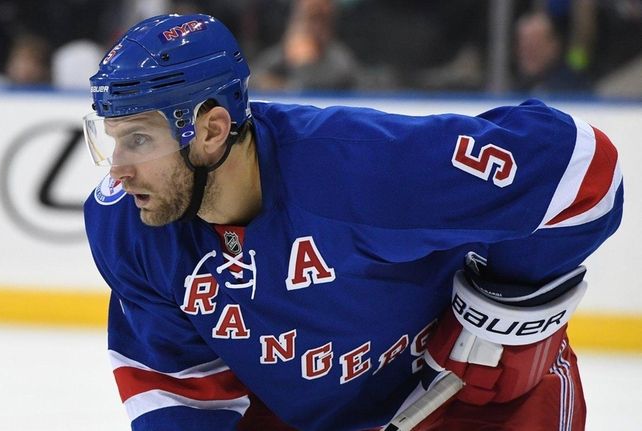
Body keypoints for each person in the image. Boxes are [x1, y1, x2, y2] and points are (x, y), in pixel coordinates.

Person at [82, 14, 623, 431]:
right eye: (112, 139)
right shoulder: (128, 229)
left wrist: (500, 308)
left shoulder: (363, 171)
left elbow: (582, 168)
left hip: (472, 403)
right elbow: (177, 382)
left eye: (139, 140)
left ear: (212, 129)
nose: (119, 170)